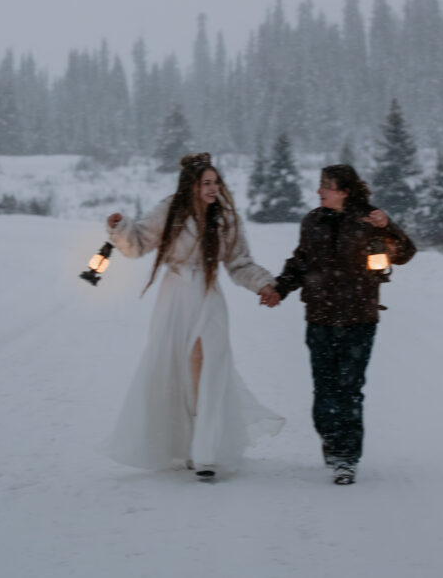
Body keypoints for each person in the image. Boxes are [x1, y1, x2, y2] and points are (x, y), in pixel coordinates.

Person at [99, 152, 284, 479]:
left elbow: (240, 263)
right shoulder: (170, 211)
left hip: (208, 298)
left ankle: (206, 452)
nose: (213, 189)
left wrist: (264, 285)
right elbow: (139, 243)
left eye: (216, 183)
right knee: (174, 368)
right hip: (175, 298)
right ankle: (182, 444)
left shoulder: (226, 220)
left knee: (210, 365)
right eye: (206, 183)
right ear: (192, 186)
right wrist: (120, 228)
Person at [262, 164, 416, 485]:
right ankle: (333, 444)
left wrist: (389, 228)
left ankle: (346, 458)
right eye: (320, 185)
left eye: (326, 186)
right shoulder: (312, 221)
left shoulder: (370, 219)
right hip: (319, 319)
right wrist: (280, 288)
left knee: (349, 390)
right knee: (324, 393)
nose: (319, 191)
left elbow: (404, 253)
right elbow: (300, 262)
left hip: (359, 319)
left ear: (345, 191)